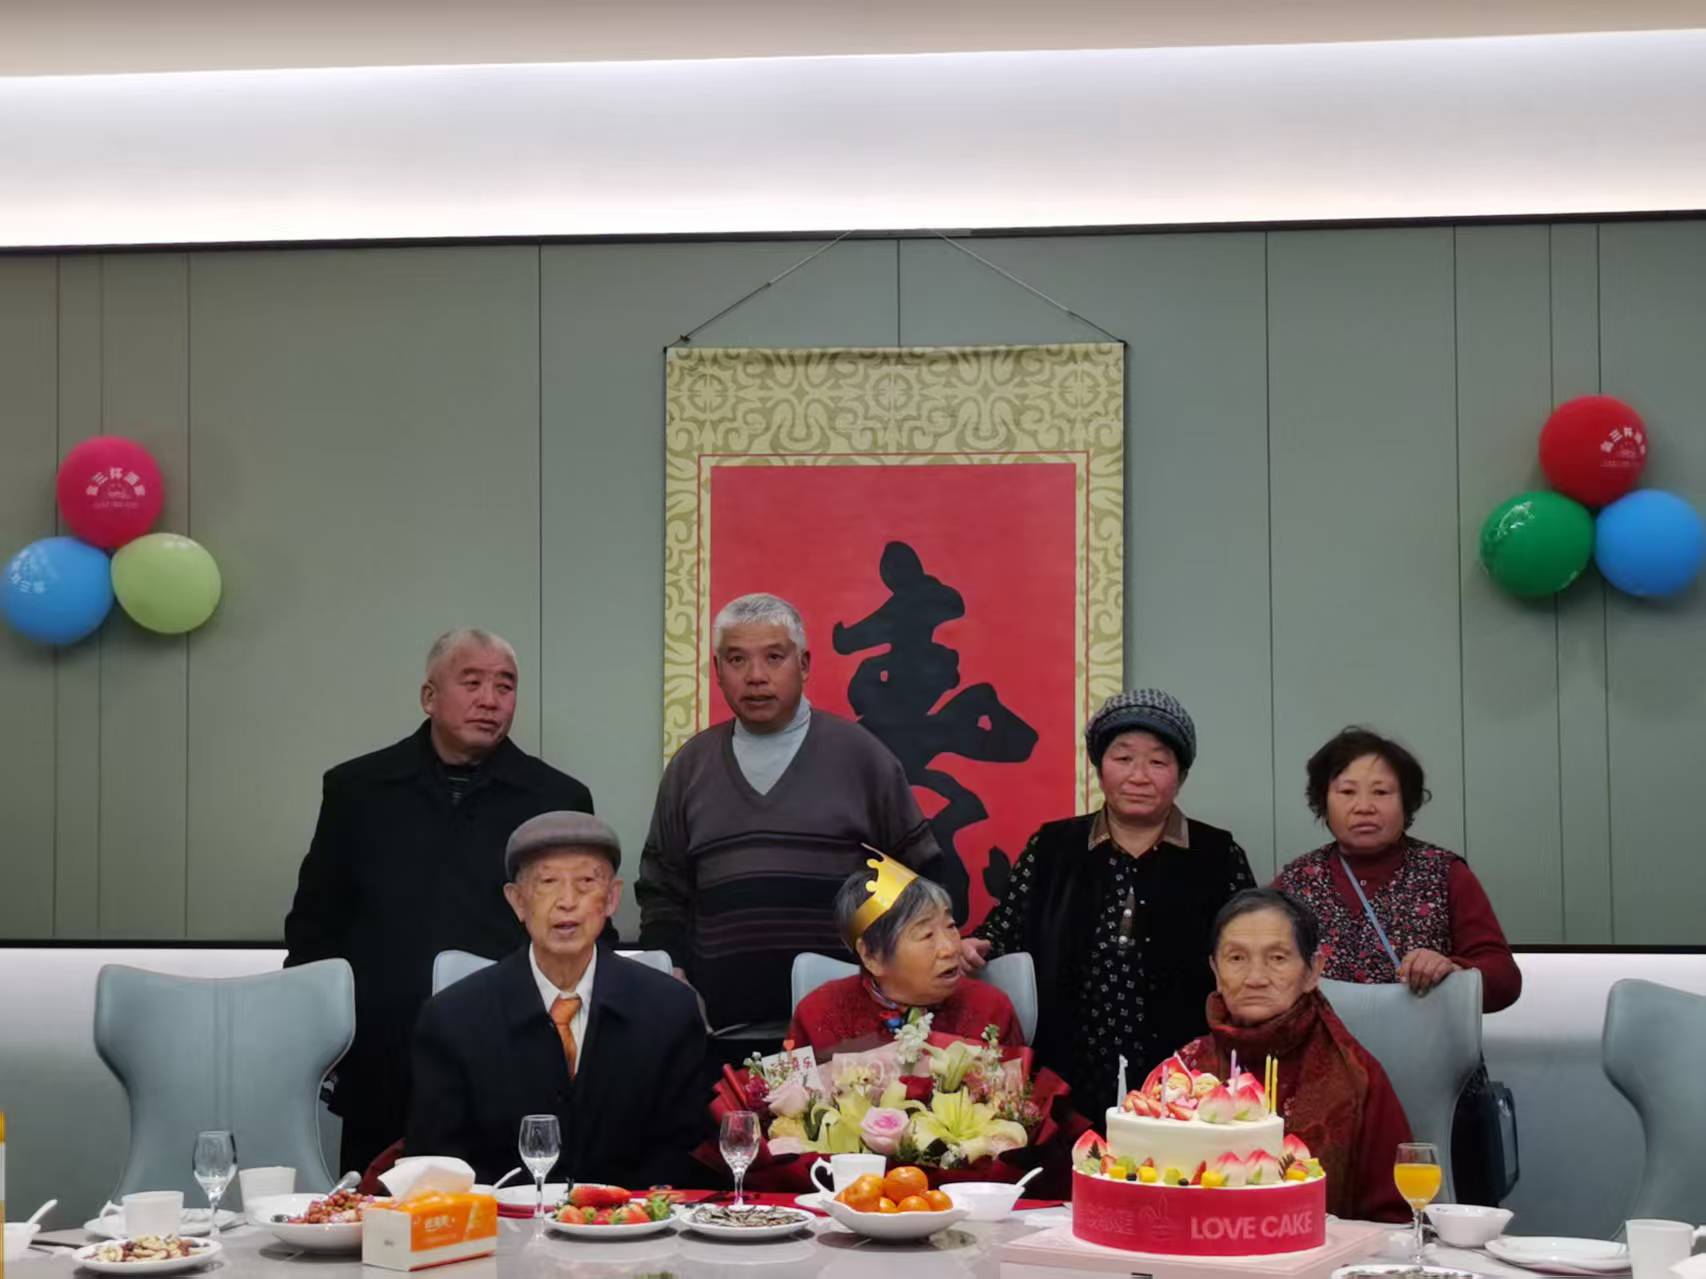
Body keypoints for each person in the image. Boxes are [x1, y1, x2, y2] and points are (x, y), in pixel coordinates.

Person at [284, 628, 594, 1175]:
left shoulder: (557, 799)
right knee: (379, 1213)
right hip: (382, 1053)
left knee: (514, 1204)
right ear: (429, 697)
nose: (490, 700)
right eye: (472, 683)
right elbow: (315, 927)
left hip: (515, 1051)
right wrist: (321, 1039)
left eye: (505, 686)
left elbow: (584, 932)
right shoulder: (358, 789)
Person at [636, 592, 950, 1056]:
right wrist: (673, 972)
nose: (755, 676)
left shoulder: (861, 757)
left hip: (849, 1039)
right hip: (721, 1032)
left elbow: (921, 877)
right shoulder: (690, 767)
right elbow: (662, 890)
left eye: (774, 657)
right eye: (737, 659)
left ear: (803, 664)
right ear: (716, 670)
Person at [963, 689, 1254, 1114]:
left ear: (1181, 775)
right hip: (1067, 1067)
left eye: (1158, 762)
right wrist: (976, 946)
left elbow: (1249, 949)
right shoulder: (1052, 846)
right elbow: (1004, 929)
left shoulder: (1217, 855)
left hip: (1187, 1074)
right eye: (1123, 758)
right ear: (1099, 769)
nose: (1139, 776)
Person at [407, 812, 708, 1188]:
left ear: (611, 898)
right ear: (517, 901)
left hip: (634, 1220)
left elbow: (683, 1154)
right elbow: (437, 1161)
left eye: (586, 882)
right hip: (498, 1220)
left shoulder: (670, 1011)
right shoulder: (453, 1018)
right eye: (547, 883)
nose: (567, 902)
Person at [1175, 888, 1412, 1222]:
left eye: (1277, 958)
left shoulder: (1356, 1075)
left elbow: (1396, 1218)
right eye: (1237, 959)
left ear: (1313, 971)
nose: (1255, 978)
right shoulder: (1184, 1071)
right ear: (1215, 970)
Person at [1272, 727, 1521, 1012]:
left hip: (1422, 1040)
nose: (1364, 807)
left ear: (1407, 802)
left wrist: (1453, 970)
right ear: (1323, 802)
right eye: (1347, 792)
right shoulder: (1294, 881)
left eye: (1381, 792)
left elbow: (1505, 979)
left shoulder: (1444, 873)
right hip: (1319, 1041)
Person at [788, 856, 1023, 1057]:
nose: (950, 949)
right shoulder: (818, 1014)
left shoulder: (991, 1008)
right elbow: (788, 1091)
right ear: (872, 956)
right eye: (927, 935)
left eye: (950, 926)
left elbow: (1017, 1091)